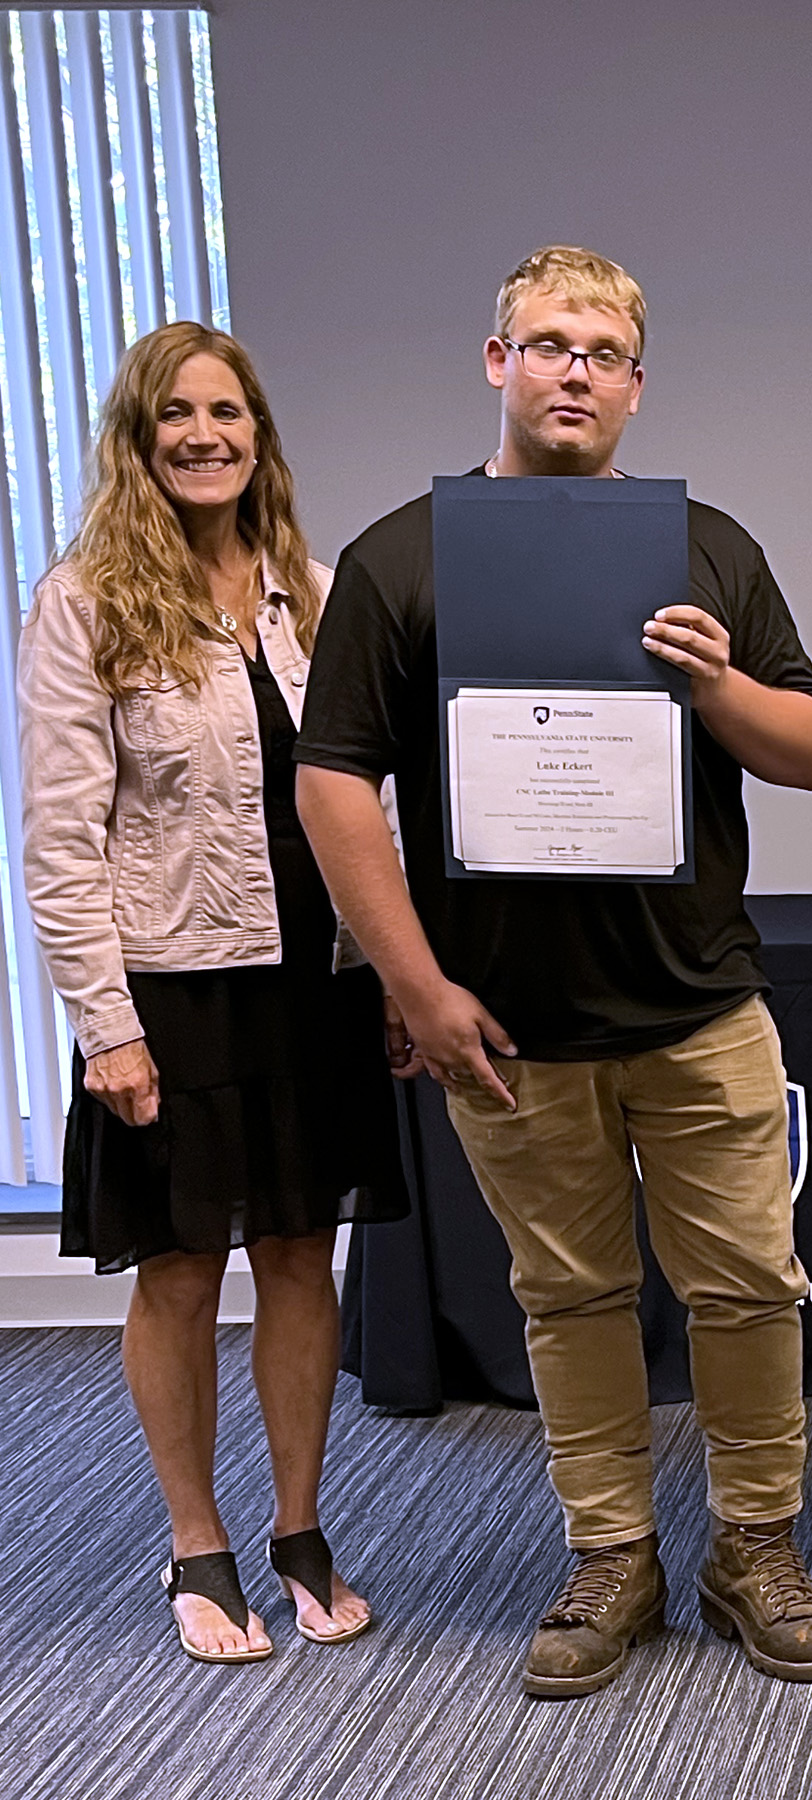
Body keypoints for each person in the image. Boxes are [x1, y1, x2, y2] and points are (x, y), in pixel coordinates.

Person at [293, 246, 812, 1697]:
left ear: (637, 385)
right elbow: (335, 784)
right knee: (572, 1298)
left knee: (750, 1291)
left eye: (602, 351)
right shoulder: (397, 558)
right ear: (497, 362)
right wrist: (413, 987)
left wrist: (717, 681)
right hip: (505, 1026)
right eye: (548, 345)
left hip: (698, 1003)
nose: (574, 372)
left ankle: (755, 1546)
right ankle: (613, 1551)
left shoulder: (705, 547)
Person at [19, 322, 406, 1663]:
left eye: (226, 412)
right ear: (139, 438)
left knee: (304, 1257)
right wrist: (103, 1024)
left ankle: (300, 1527)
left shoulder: (313, 586)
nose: (204, 434)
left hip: (319, 978)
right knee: (181, 1274)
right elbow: (62, 840)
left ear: (259, 433)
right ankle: (198, 1541)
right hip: (174, 992)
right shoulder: (85, 601)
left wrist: (399, 972)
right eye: (175, 413)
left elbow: (366, 798)